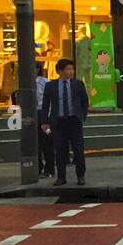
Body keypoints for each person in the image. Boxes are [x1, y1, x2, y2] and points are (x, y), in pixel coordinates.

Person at [40, 57, 90, 186]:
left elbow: (84, 101)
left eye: (72, 69)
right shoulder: (50, 85)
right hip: (58, 121)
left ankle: (80, 176)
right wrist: (44, 121)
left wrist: (82, 115)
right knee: (60, 151)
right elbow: (45, 105)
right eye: (68, 69)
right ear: (59, 71)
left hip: (74, 120)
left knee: (78, 150)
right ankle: (61, 177)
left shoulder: (78, 84)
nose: (71, 72)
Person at [35, 63, 54, 177]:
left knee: (47, 142)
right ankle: (37, 167)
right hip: (30, 113)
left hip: (43, 112)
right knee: (34, 143)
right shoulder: (23, 82)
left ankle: (49, 168)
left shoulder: (45, 82)